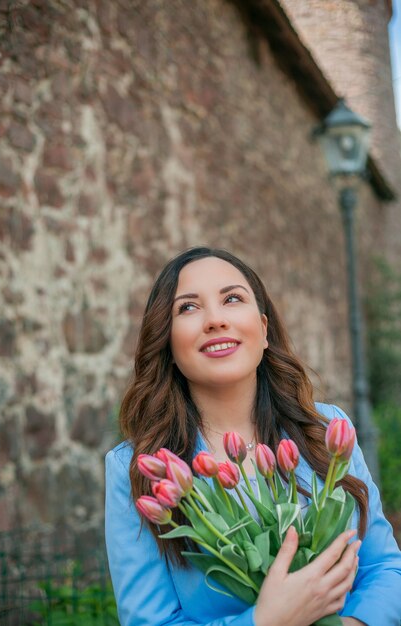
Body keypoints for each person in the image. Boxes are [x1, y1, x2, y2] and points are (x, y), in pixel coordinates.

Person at [105, 246, 401, 626]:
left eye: (232, 298)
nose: (215, 320)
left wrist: (352, 624)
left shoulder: (324, 431)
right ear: (168, 344)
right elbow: (151, 621)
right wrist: (266, 621)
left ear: (263, 330)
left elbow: (385, 568)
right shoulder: (141, 469)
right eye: (188, 308)